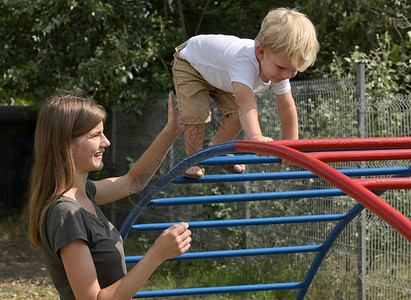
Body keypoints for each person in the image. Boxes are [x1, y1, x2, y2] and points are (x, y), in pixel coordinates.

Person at [27, 91, 192, 300]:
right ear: (65, 144)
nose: (106, 142)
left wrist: (172, 130)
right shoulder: (65, 213)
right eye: (95, 135)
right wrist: (156, 254)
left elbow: (133, 181)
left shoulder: (84, 193)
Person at [172, 7, 319, 178]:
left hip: (220, 75)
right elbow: (246, 104)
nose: (287, 75)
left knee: (235, 115)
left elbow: (286, 106)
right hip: (191, 64)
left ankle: (217, 151)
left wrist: (292, 145)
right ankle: (192, 160)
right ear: (261, 52)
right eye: (281, 68)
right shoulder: (244, 62)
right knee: (197, 114)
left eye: (294, 70)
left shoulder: (278, 65)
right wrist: (256, 137)